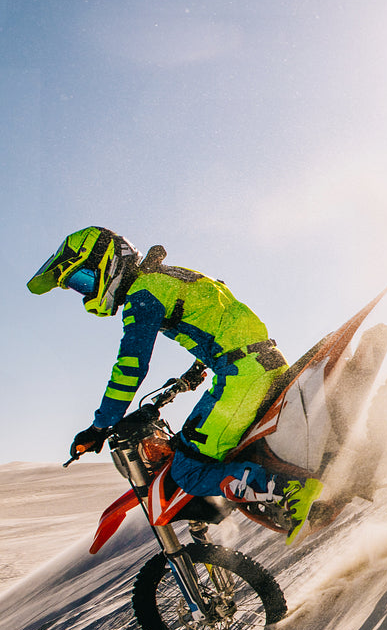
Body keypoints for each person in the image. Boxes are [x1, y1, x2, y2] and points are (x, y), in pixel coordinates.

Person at [27, 227, 323, 539]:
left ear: (106, 262)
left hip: (242, 376)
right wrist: (197, 368)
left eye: (84, 280)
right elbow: (219, 316)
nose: (86, 292)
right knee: (204, 447)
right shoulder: (169, 275)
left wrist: (100, 426)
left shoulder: (143, 294)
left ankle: (291, 490)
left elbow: (130, 366)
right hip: (264, 361)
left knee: (187, 470)